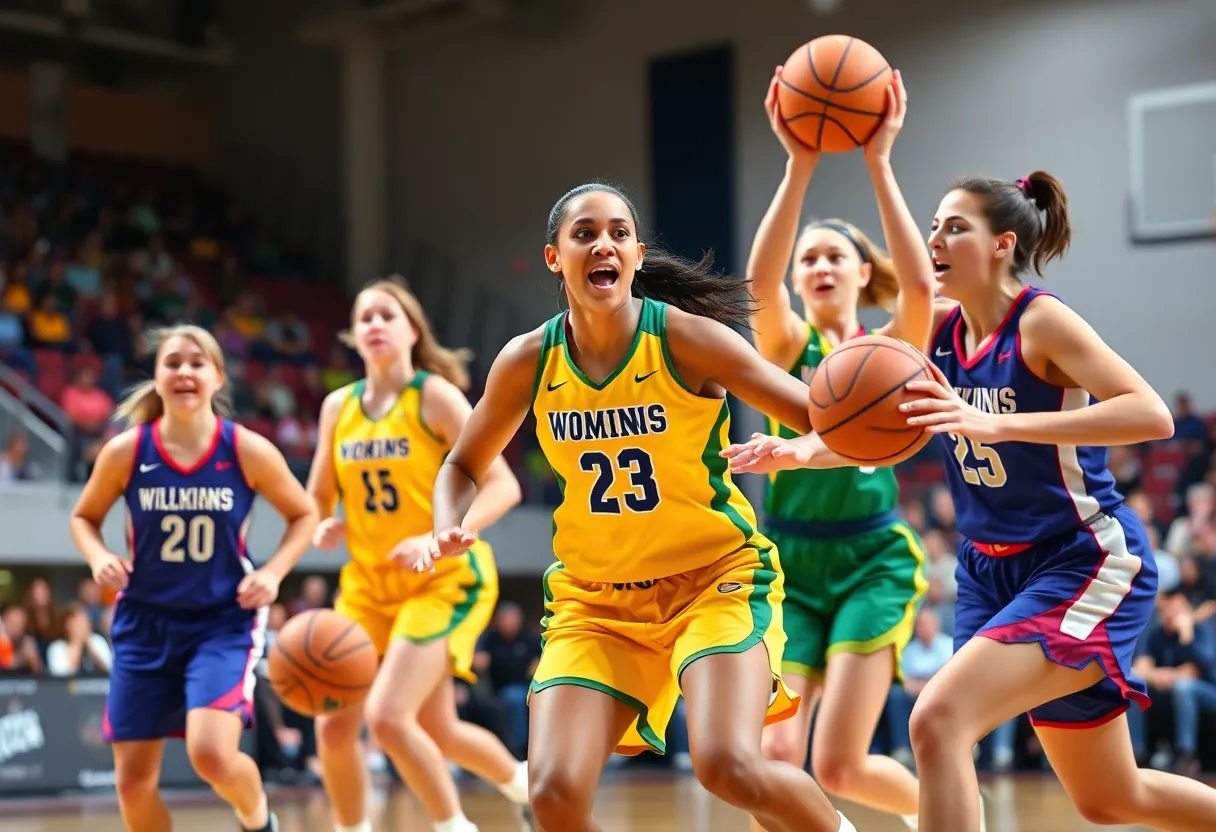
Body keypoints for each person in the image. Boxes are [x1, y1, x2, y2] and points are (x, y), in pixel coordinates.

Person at [723, 170, 1216, 830]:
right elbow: (888, 432)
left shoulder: (1040, 322)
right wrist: (804, 450)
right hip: (988, 572)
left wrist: (1003, 422)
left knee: (937, 721)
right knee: (1110, 797)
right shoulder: (940, 338)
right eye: (934, 226)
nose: (936, 238)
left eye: (956, 226)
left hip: (1082, 560)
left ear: (1002, 245)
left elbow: (1151, 414)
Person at [408, 183, 857, 832]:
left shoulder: (687, 340)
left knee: (727, 763)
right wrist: (447, 522)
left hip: (713, 583)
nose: (603, 244)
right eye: (584, 233)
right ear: (554, 258)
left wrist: (851, 431)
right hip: (596, 603)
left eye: (618, 233)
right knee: (555, 797)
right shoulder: (528, 360)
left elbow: (820, 417)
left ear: (638, 255)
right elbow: (462, 464)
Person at [744, 67, 932, 829]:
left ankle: (953, 815)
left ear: (861, 273)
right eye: (808, 259)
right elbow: (757, 284)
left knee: (842, 763)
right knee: (773, 757)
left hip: (868, 561)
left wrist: (879, 161)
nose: (819, 265)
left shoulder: (887, 352)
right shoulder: (786, 342)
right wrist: (798, 164)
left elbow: (921, 290)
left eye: (833, 256)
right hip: (789, 565)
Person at [69, 324, 319, 832]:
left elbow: (305, 514)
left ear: (218, 377)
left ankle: (258, 820)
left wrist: (273, 572)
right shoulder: (127, 452)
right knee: (132, 784)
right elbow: (82, 518)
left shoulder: (245, 448)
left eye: (197, 362)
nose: (185, 371)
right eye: (173, 362)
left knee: (211, 755)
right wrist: (97, 557)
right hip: (144, 622)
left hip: (222, 622)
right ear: (157, 378)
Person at [306, 279, 529, 832]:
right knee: (353, 729)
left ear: (411, 330)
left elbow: (503, 486)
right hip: (368, 585)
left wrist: (442, 535)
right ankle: (527, 787)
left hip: (444, 579)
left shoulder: (434, 397)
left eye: (388, 314)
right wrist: (323, 523)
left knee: (386, 717)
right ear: (354, 336)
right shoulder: (339, 407)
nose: (375, 324)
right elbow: (316, 497)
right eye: (365, 318)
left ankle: (455, 826)